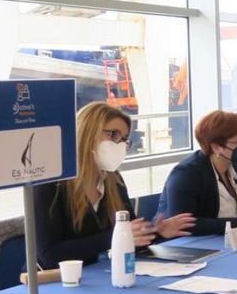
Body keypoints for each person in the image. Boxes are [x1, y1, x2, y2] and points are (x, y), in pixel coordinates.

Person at [33, 102, 195, 269]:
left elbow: (131, 238)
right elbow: (49, 255)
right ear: (88, 132)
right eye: (113, 135)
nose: (120, 145)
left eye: (124, 139)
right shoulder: (52, 184)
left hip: (96, 274)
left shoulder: (113, 180)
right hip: (55, 281)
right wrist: (117, 236)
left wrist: (156, 232)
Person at [157, 111, 237, 237]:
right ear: (217, 147)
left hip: (221, 240)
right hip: (187, 247)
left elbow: (232, 213)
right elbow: (185, 224)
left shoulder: (231, 167)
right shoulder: (187, 174)